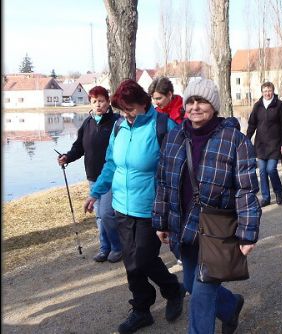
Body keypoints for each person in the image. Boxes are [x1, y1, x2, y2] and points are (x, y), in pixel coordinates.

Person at [152, 78, 262, 334]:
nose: (195, 107)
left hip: (218, 231)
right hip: (184, 228)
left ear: (213, 105)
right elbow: (162, 182)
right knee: (190, 282)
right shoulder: (173, 137)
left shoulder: (235, 141)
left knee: (201, 296)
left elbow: (246, 190)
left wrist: (248, 233)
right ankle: (231, 306)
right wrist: (161, 221)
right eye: (190, 101)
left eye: (201, 101)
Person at [83, 79, 185, 334]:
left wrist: (171, 208)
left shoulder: (162, 126)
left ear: (143, 103)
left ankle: (173, 290)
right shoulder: (119, 127)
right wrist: (96, 193)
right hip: (121, 206)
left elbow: (176, 170)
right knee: (131, 262)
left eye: (130, 108)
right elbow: (111, 164)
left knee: (143, 258)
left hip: (150, 206)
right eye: (122, 109)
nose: (125, 114)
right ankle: (141, 309)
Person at [57, 86, 122, 263]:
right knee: (99, 216)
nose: (98, 104)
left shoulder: (117, 122)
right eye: (94, 101)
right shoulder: (87, 123)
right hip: (92, 177)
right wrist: (67, 157)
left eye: (101, 101)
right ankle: (104, 247)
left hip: (110, 177)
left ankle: (118, 247)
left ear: (108, 102)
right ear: (90, 103)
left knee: (107, 213)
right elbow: (79, 147)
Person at [246, 81, 282, 206]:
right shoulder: (257, 106)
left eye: (269, 91)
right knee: (262, 171)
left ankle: (278, 193)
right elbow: (252, 124)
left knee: (271, 169)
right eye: (265, 91)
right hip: (260, 145)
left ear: (273, 91)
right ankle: (266, 197)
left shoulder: (279, 105)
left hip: (275, 144)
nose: (267, 93)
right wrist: (246, 139)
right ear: (262, 92)